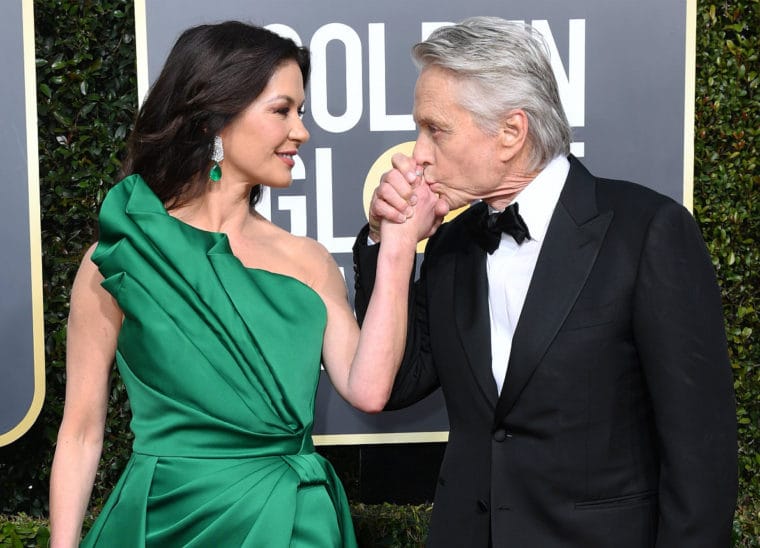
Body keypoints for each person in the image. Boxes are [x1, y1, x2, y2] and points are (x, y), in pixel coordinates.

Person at [353, 16, 738, 547]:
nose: (416, 153)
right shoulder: (450, 245)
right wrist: (384, 241)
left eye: (434, 129)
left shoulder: (646, 232)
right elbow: (396, 383)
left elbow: (700, 453)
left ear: (511, 132)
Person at [48, 21, 436, 547]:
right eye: (282, 111)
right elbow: (80, 431)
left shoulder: (307, 261)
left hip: (292, 522)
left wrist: (396, 247)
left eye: (300, 112)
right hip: (164, 522)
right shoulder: (122, 255)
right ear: (215, 117)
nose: (300, 131)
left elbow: (368, 390)